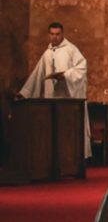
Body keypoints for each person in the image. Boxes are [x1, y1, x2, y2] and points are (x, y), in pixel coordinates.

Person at [18, 21, 91, 157]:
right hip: (51, 100)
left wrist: (66, 75)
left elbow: (82, 68)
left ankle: (71, 159)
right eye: (52, 34)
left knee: (68, 132)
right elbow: (37, 74)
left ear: (62, 34)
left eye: (57, 34)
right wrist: (25, 93)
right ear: (48, 35)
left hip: (68, 100)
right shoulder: (47, 53)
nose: (55, 37)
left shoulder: (71, 50)